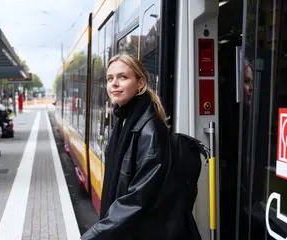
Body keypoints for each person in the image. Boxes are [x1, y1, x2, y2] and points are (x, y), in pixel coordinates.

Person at [81, 54, 199, 240]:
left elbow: (137, 199)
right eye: (110, 79)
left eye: (123, 77)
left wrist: (93, 235)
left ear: (140, 83)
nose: (114, 84)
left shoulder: (150, 131)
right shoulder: (124, 121)